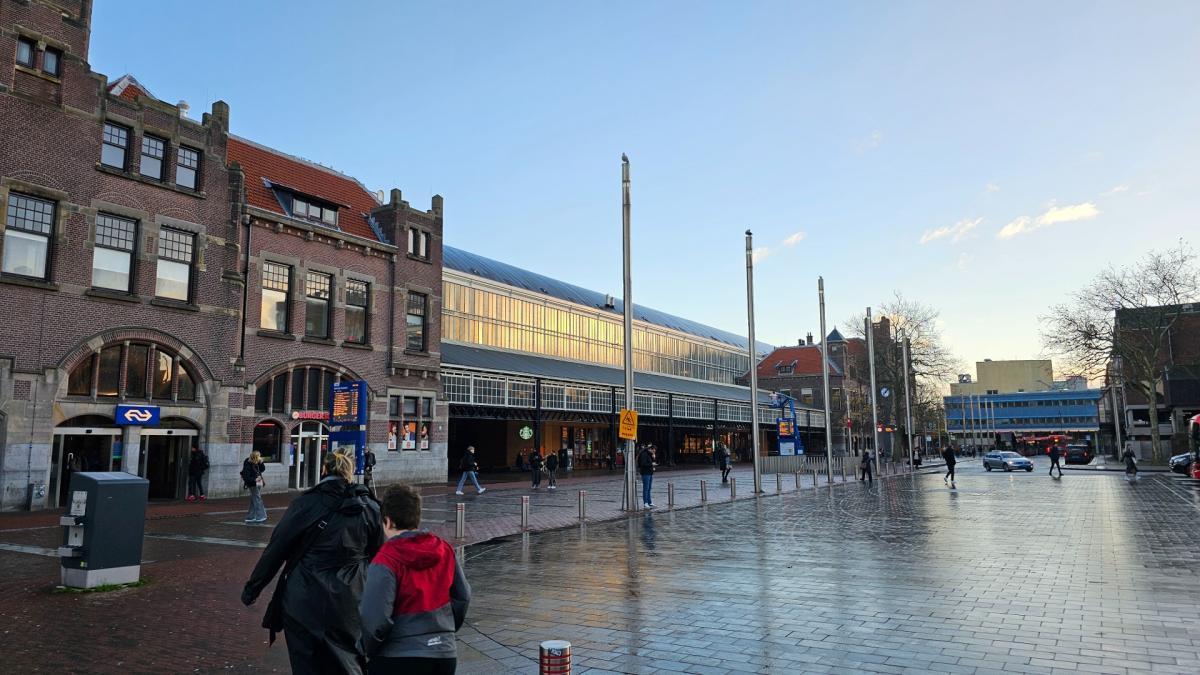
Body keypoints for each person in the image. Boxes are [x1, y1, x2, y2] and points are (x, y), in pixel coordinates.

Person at [242, 452, 384, 675]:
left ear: (324, 470)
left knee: (306, 662)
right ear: (349, 472)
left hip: (304, 597)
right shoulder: (369, 507)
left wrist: (253, 589)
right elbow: (381, 556)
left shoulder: (305, 503)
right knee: (349, 658)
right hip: (350, 599)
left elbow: (277, 548)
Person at [359, 484, 470, 675]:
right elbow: (463, 596)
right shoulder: (444, 550)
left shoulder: (386, 559)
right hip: (444, 653)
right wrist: (445, 629)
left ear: (387, 521)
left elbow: (375, 617)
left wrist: (365, 649)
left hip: (399, 654)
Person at [242, 451, 267, 524]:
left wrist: (261, 463)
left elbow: (262, 469)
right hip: (252, 484)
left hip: (258, 482)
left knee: (254, 499)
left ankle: (250, 517)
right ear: (255, 457)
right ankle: (261, 516)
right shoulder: (247, 463)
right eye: (258, 456)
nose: (260, 458)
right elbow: (246, 476)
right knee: (257, 498)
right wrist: (254, 479)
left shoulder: (257, 462)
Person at [637, 444, 656, 509]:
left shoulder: (650, 454)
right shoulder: (644, 454)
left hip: (650, 473)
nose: (654, 452)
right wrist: (651, 464)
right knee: (646, 488)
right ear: (650, 449)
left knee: (649, 488)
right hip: (645, 473)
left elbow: (652, 462)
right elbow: (643, 464)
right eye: (653, 450)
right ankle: (645, 503)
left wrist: (653, 457)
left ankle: (649, 502)